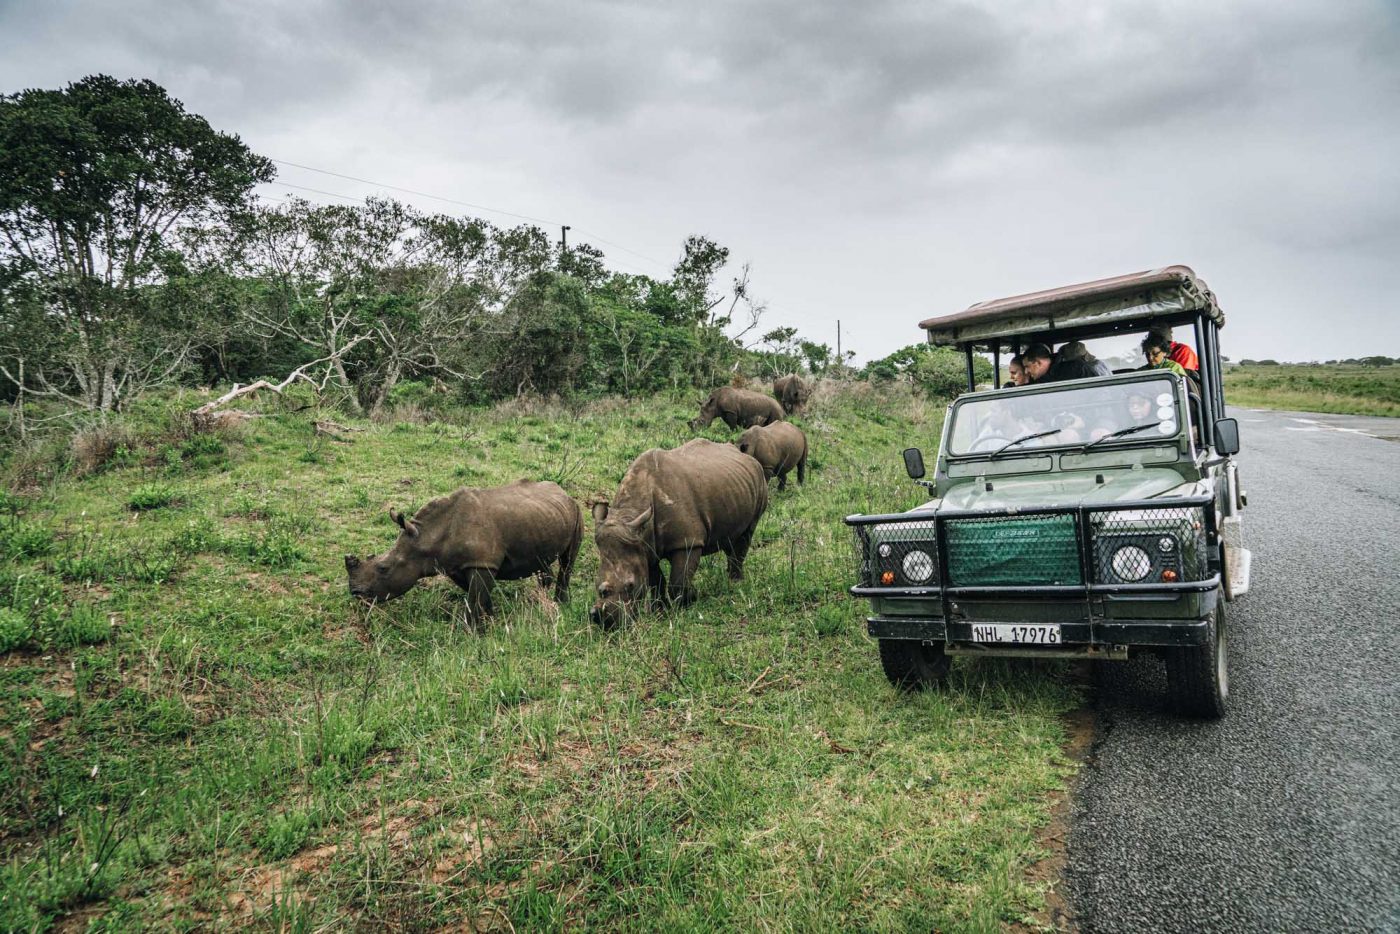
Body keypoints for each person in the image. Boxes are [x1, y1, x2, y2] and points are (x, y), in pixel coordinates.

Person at [1023, 343, 1098, 383]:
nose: (1026, 372)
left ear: (1038, 363)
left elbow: (1100, 390)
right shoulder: (1037, 381)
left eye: (1027, 366)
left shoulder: (1077, 369)